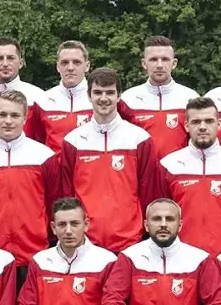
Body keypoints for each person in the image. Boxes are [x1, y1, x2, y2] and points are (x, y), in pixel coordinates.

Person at [61, 67, 165, 253]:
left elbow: (149, 191)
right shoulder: (73, 141)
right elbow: (67, 194)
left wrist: (144, 233)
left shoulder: (139, 138)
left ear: (119, 96)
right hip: (86, 242)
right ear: (89, 95)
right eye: (98, 92)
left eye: (109, 92)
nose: (103, 98)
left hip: (130, 241)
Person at [0, 90, 59, 282]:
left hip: (35, 255)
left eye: (15, 115)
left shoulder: (44, 156)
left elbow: (53, 204)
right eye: (2, 114)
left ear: (25, 118)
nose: (8, 121)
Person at [160, 97, 221, 256]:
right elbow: (161, 214)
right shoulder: (168, 165)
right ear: (186, 126)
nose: (202, 127)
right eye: (196, 122)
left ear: (219, 124)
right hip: (182, 258)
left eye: (209, 121)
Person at [118, 35, 199, 157]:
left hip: (178, 168)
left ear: (174, 63)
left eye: (165, 59)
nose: (159, 65)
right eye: (153, 59)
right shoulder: (128, 99)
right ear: (144, 63)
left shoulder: (191, 98)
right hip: (141, 168)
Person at [39, 41, 94, 153]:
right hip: (54, 164)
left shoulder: (100, 99)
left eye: (76, 62)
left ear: (87, 66)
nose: (70, 68)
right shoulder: (43, 100)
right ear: (58, 67)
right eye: (64, 63)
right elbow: (37, 142)